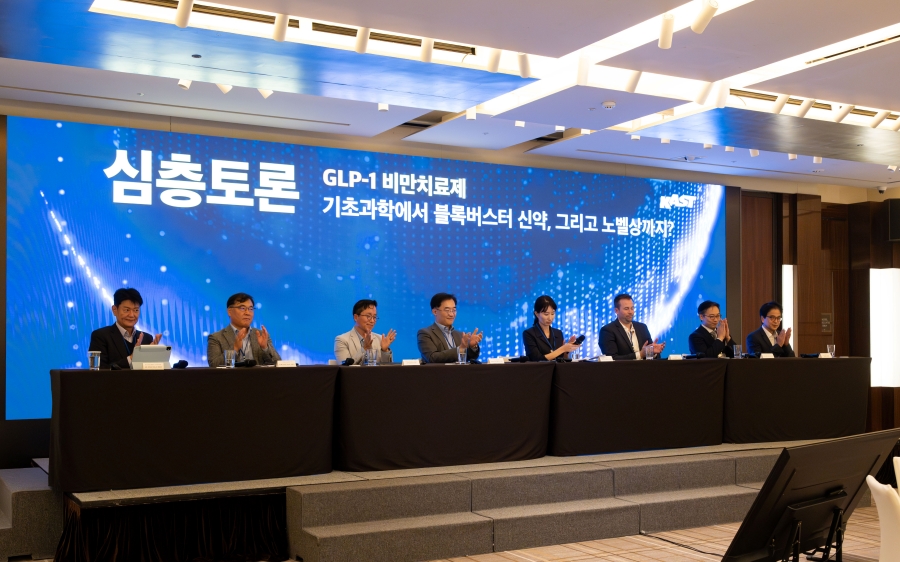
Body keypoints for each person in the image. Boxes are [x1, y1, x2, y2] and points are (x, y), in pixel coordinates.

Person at [88, 287, 162, 369]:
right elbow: (99, 371)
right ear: (115, 310)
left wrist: (156, 358)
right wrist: (131, 358)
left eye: (136, 310)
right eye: (127, 310)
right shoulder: (100, 336)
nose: (132, 315)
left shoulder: (147, 338)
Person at [207, 292, 281, 367]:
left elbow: (278, 363)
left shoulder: (262, 335)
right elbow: (214, 365)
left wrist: (265, 348)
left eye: (251, 309)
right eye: (242, 308)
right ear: (229, 311)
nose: (247, 313)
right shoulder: (216, 337)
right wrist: (234, 349)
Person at [416, 293, 482, 363]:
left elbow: (470, 358)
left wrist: (472, 346)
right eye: (447, 310)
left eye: (454, 310)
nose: (451, 314)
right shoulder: (425, 333)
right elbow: (432, 358)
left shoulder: (460, 335)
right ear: (435, 312)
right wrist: (460, 349)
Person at [599, 293, 665, 360]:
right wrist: (640, 354)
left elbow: (649, 357)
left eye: (632, 308)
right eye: (626, 309)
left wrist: (652, 352)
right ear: (616, 310)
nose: (630, 312)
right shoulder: (607, 331)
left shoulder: (642, 327)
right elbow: (612, 359)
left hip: (645, 367)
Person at [334, 299, 397, 365]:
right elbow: (345, 367)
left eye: (374, 317)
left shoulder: (380, 339)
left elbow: (387, 369)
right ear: (356, 317)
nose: (372, 321)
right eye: (368, 316)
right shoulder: (342, 340)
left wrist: (384, 351)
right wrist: (364, 348)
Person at [522, 295, 581, 362]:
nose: (550, 318)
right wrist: (563, 349)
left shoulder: (558, 333)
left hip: (557, 368)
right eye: (546, 314)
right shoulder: (529, 334)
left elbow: (562, 358)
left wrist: (567, 349)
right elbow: (536, 359)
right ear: (536, 314)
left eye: (552, 314)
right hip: (540, 368)